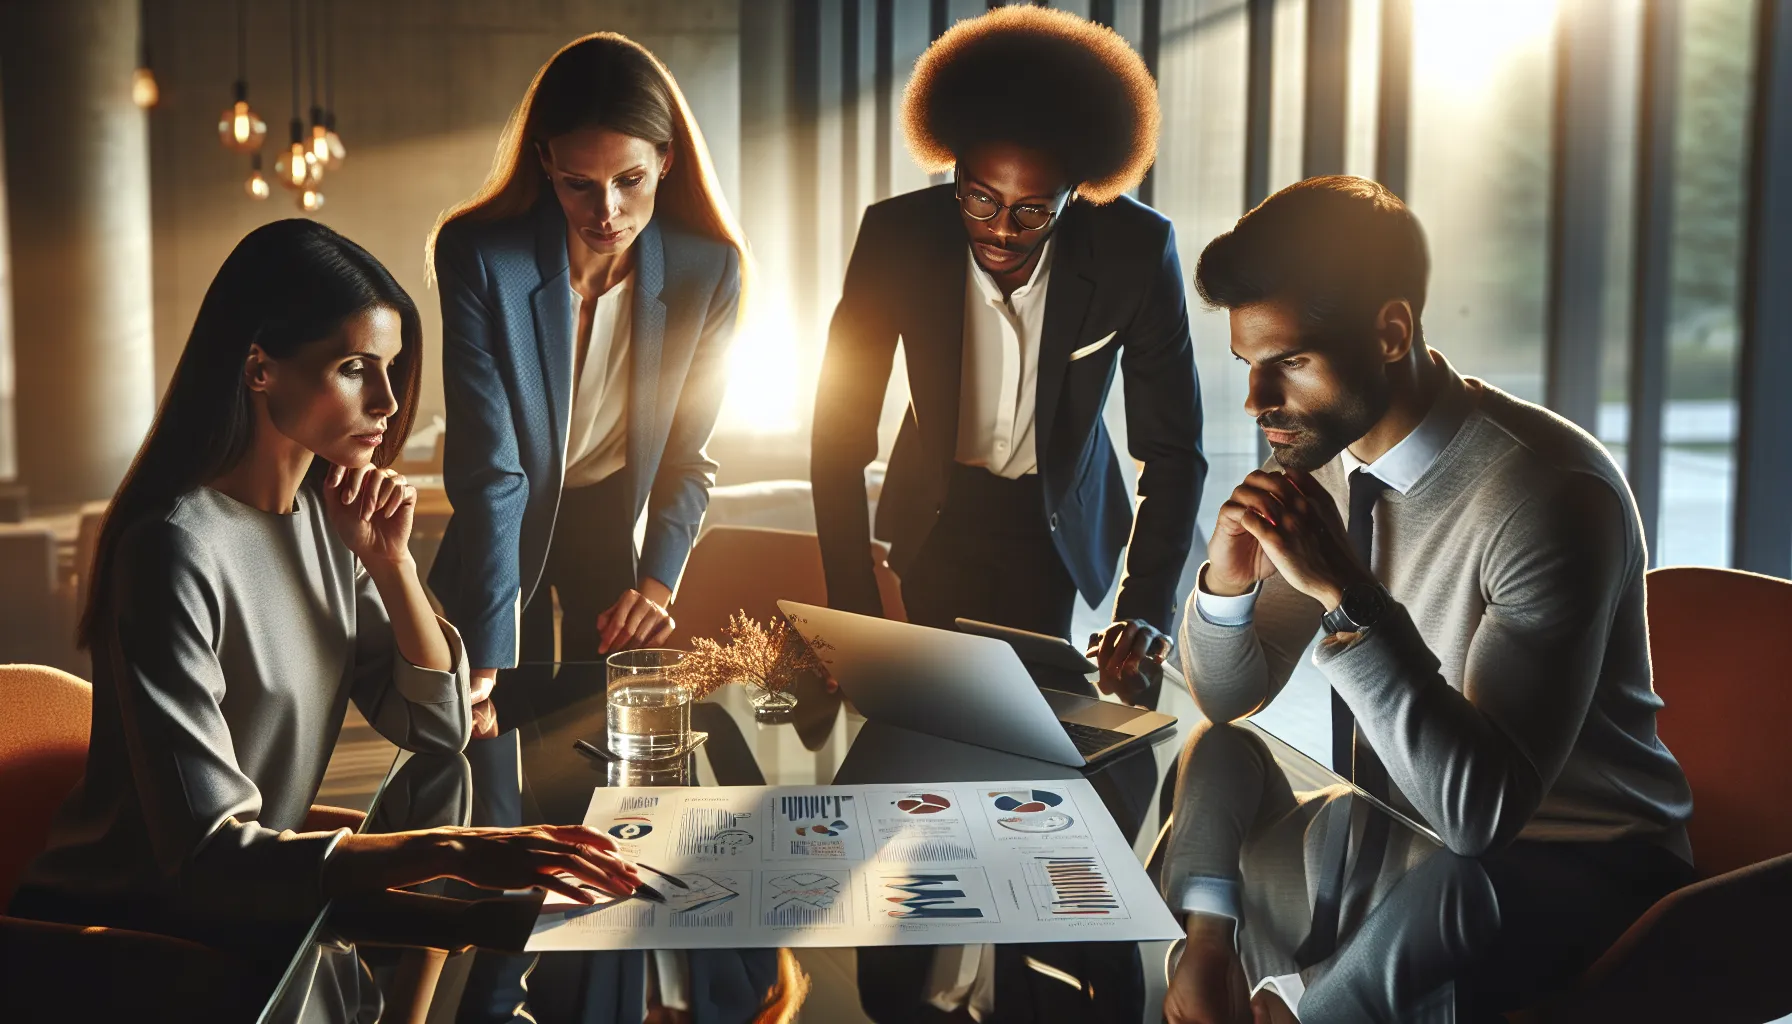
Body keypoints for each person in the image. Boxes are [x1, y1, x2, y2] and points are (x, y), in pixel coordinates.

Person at [8, 221, 643, 956]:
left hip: (249, 915)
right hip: (121, 940)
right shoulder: (171, 548)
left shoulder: (324, 518)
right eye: (353, 367)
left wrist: (392, 567)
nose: (387, 401)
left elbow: (436, 730)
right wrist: (453, 851)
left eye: (391, 367)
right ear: (258, 369)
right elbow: (206, 857)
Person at [1159, 177, 1696, 1022]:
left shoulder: (1550, 498)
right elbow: (1230, 695)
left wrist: (1347, 590)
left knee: (1452, 879)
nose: (1261, 403)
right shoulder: (1326, 457)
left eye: (1291, 362)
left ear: (1390, 330)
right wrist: (1228, 584)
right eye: (1249, 367)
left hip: (1572, 867)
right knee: (1219, 751)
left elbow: (1479, 818)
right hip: (1410, 839)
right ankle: (1208, 955)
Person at [810, 5, 1205, 700]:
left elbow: (1173, 451)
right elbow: (838, 435)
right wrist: (853, 602)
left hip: (1053, 521)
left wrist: (1142, 608)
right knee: (928, 719)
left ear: (1075, 196)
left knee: (1037, 727)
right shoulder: (895, 239)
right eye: (980, 200)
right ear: (954, 171)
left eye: (1031, 210)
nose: (1000, 231)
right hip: (935, 511)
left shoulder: (1135, 253)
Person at [426, 32, 746, 696]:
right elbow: (493, 471)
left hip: (610, 529)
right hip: (499, 542)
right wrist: (486, 657)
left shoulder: (708, 269)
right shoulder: (481, 258)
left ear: (665, 159)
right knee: (495, 771)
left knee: (614, 768)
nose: (605, 212)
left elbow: (689, 456)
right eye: (579, 184)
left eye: (629, 180)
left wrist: (657, 586)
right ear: (544, 162)